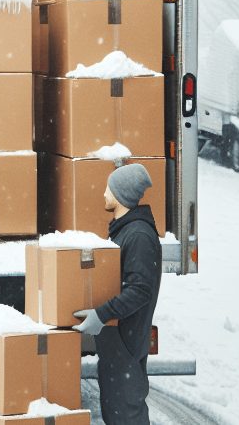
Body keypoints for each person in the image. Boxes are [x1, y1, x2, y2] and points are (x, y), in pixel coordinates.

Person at [73, 163, 161, 425]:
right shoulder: (125, 231)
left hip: (126, 342)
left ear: (122, 194)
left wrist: (101, 314)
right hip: (118, 342)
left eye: (109, 189)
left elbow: (140, 290)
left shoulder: (138, 235)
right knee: (115, 411)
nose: (104, 193)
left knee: (126, 413)